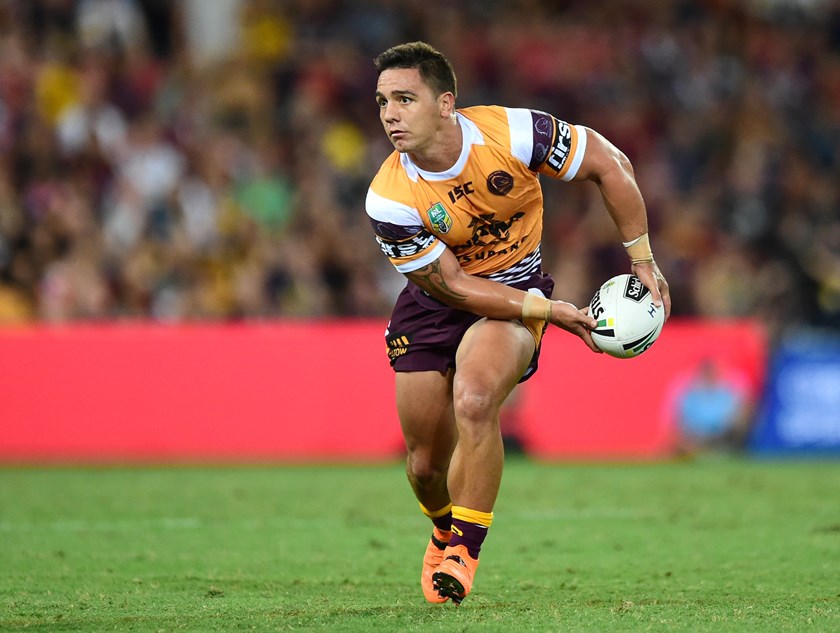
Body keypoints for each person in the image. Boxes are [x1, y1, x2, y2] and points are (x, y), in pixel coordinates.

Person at [365, 41, 671, 605]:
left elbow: (610, 164)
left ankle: (463, 552)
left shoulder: (515, 134)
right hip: (433, 303)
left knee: (475, 399)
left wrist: (643, 260)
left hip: (514, 290)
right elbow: (452, 286)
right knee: (424, 466)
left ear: (445, 103)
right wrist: (552, 312)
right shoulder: (388, 199)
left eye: (405, 99)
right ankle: (442, 528)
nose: (390, 114)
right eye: (383, 101)